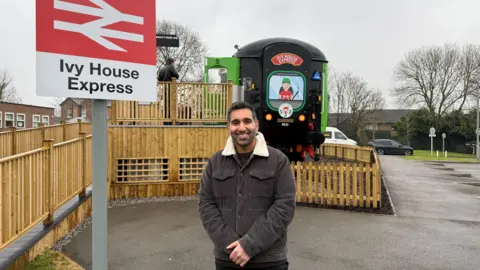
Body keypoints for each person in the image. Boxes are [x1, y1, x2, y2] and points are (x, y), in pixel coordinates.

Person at [198, 101, 296, 269]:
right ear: (228, 126)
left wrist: (249, 246)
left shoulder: (278, 160)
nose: (241, 127)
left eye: (247, 121)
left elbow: (284, 207)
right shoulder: (216, 162)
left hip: (269, 260)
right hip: (228, 258)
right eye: (235, 122)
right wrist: (232, 246)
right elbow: (206, 205)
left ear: (256, 124)